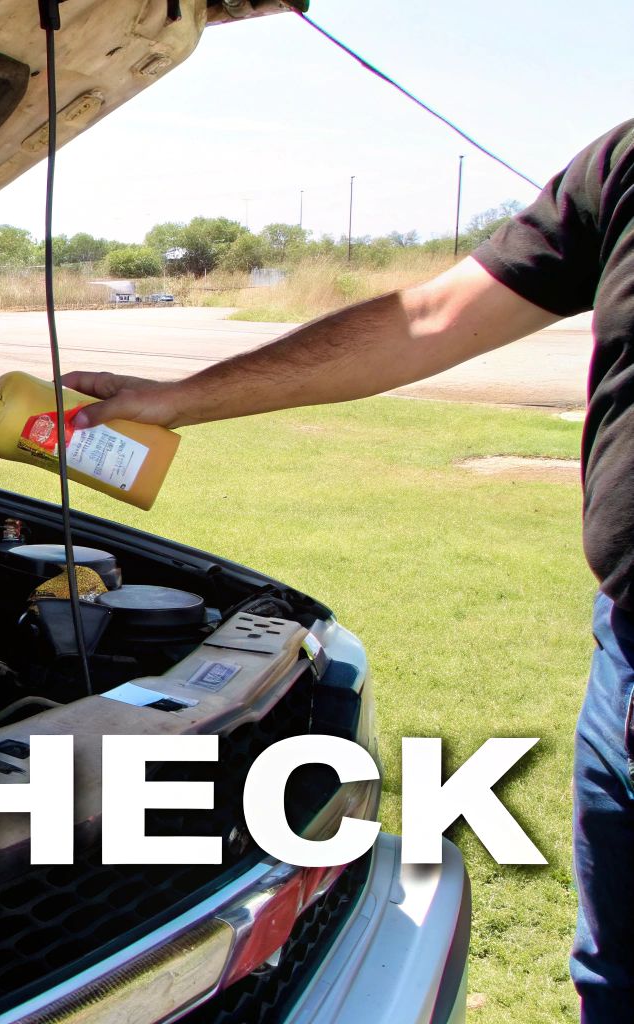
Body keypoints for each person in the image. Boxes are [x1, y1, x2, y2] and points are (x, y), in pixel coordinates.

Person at [64, 121, 634, 1021]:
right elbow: (428, 319)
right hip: (627, 661)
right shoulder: (627, 163)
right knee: (618, 973)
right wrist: (177, 401)